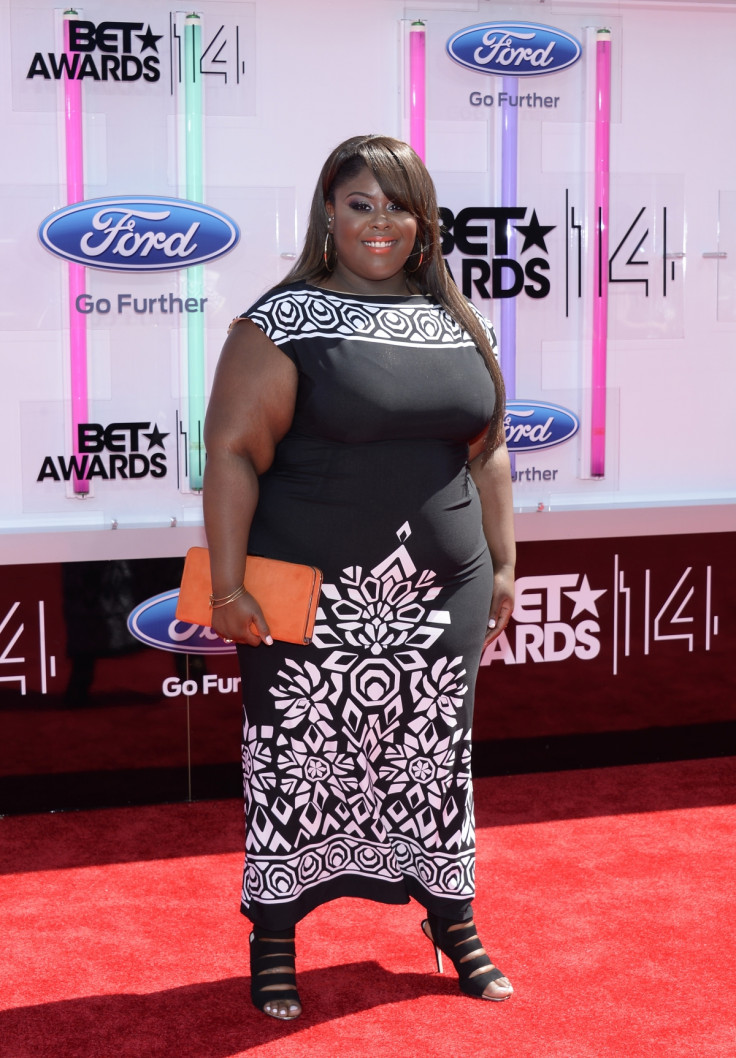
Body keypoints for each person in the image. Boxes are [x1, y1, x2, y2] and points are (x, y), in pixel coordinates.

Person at [202, 134, 516, 1021]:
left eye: (398, 204)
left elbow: (488, 452)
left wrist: (505, 563)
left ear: (424, 223)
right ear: (327, 215)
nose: (380, 221)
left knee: (433, 761)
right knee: (296, 761)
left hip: (439, 597)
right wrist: (228, 590)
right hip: (310, 595)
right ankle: (274, 935)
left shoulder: (462, 321)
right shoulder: (283, 321)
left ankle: (450, 917)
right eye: (359, 203)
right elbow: (230, 455)